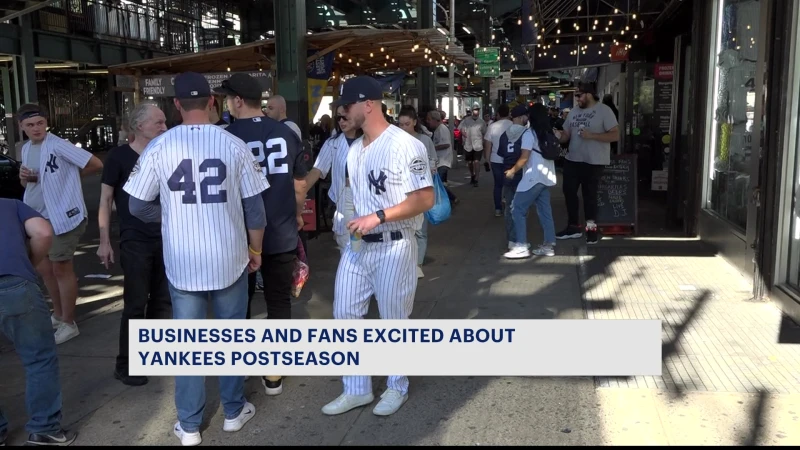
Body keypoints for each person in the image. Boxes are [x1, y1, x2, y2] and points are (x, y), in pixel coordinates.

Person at [123, 72, 268, 446]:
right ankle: (233, 412)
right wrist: (256, 251)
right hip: (229, 256)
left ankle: (189, 426)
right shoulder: (233, 143)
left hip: (183, 262)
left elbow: (137, 205)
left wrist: (168, 217)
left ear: (175, 105)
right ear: (211, 102)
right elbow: (255, 211)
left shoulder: (158, 146)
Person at [321, 76, 434, 417]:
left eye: (348, 105)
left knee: (393, 320)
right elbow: (357, 197)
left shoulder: (405, 144)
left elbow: (424, 199)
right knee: (345, 314)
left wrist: (379, 216)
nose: (343, 111)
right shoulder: (355, 150)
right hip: (359, 247)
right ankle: (356, 389)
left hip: (394, 244)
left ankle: (397, 385)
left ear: (367, 104)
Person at [213, 73, 307, 397]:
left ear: (237, 100)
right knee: (278, 301)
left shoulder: (223, 137)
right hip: (281, 232)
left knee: (239, 304)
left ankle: (238, 373)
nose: (226, 103)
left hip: (239, 237)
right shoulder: (286, 133)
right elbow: (299, 185)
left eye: (227, 98)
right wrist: (296, 214)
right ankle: (274, 373)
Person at [97, 103, 172, 387]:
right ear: (139, 126)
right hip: (134, 239)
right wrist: (104, 241)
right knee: (135, 303)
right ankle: (126, 364)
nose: (165, 127)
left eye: (165, 122)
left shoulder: (166, 153)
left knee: (162, 301)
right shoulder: (118, 157)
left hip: (166, 237)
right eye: (159, 122)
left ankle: (151, 355)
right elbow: (105, 200)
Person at [17, 103, 104, 345]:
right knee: (44, 269)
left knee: (60, 267)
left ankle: (69, 322)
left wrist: (70, 177)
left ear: (46, 122)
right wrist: (26, 179)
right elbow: (32, 184)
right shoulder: (26, 149)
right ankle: (58, 314)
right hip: (36, 216)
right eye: (30, 125)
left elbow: (95, 163)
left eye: (40, 123)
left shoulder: (58, 145)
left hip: (62, 216)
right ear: (22, 127)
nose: (36, 128)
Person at [0, 198, 77, 446]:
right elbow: (43, 232)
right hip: (14, 283)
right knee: (38, 358)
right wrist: (27, 265)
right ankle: (44, 428)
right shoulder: (9, 205)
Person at [556, 82, 620, 244]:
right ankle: (573, 227)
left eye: (579, 95)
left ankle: (591, 231)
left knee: (589, 197)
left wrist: (592, 136)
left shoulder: (604, 111)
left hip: (594, 161)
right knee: (569, 192)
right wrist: (556, 136)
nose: (577, 99)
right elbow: (566, 136)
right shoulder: (573, 112)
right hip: (572, 159)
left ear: (589, 94)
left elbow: (615, 136)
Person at [301, 104, 362, 253]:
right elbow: (317, 169)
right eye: (338, 118)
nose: (341, 121)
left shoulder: (371, 140)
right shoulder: (332, 143)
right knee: (349, 249)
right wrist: (298, 192)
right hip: (345, 200)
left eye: (345, 117)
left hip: (369, 199)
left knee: (368, 248)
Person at [504, 104, 558, 259]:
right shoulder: (548, 132)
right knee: (545, 211)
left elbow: (524, 157)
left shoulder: (529, 134)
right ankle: (549, 245)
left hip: (532, 178)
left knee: (517, 208)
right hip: (546, 177)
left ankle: (521, 245)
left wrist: (512, 171)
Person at [398, 106, 438, 279]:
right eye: (400, 124)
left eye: (407, 124)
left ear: (414, 122)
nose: (404, 127)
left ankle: (417, 264)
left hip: (420, 190)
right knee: (403, 230)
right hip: (399, 191)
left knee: (420, 230)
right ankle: (405, 262)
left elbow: (433, 162)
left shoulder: (424, 140)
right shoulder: (395, 142)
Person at [495, 105, 533, 252]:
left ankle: (511, 239)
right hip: (522, 174)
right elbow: (526, 156)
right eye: (525, 116)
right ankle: (520, 240)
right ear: (521, 117)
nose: (527, 119)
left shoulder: (505, 134)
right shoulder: (527, 133)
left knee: (509, 209)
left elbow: (501, 153)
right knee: (521, 209)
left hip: (507, 174)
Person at [483, 104, 512, 217]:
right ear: (509, 113)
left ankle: (498, 209)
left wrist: (487, 159)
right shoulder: (513, 125)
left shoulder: (492, 126)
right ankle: (508, 206)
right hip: (510, 159)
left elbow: (488, 144)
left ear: (498, 114)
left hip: (496, 160)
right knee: (509, 184)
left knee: (498, 185)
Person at [426, 110, 458, 205]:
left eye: (429, 119)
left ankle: (450, 199)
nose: (428, 122)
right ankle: (450, 198)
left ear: (435, 120)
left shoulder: (441, 129)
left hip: (443, 161)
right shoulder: (438, 129)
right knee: (438, 183)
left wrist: (432, 148)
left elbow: (446, 144)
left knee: (438, 184)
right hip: (440, 161)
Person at [458, 104, 487, 187]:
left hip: (478, 145)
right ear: (472, 111)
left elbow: (485, 133)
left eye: (477, 110)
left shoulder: (482, 122)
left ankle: (476, 179)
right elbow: (460, 128)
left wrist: (485, 144)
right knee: (470, 162)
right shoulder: (466, 120)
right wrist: (463, 133)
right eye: (475, 109)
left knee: (477, 161)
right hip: (468, 145)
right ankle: (472, 175)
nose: (476, 111)